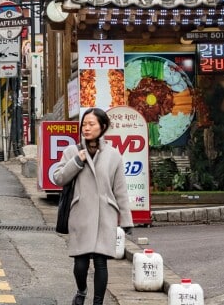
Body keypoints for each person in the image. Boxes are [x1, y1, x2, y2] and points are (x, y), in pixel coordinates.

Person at [50, 108, 133, 305]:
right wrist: (78, 160)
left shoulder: (113, 155)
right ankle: (81, 290)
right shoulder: (72, 151)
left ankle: (98, 303)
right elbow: (58, 178)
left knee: (101, 262)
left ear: (102, 127)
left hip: (105, 215)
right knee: (80, 264)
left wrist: (126, 219)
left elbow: (120, 190)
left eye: (91, 124)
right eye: (84, 124)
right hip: (80, 214)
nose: (86, 128)